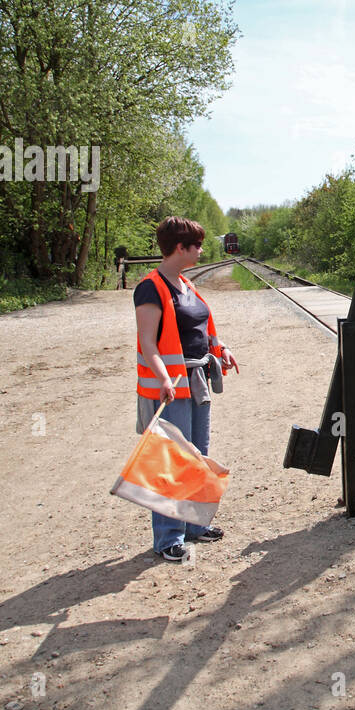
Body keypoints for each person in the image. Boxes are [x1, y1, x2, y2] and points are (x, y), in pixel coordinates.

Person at [134, 216, 240, 561]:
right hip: (172, 387)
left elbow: (203, 329)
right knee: (173, 460)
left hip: (198, 382)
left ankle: (195, 524)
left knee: (197, 455)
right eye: (197, 245)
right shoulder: (150, 287)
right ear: (180, 248)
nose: (202, 250)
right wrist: (164, 377)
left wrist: (221, 349)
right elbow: (148, 342)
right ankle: (169, 538)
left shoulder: (187, 285)